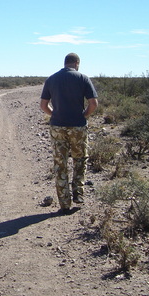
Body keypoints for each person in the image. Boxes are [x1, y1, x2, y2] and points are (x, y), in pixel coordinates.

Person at [40, 53, 98, 215]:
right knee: (80, 159)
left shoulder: (51, 79)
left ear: (65, 63)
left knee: (60, 163)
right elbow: (93, 103)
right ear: (77, 63)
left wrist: (55, 114)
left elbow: (43, 105)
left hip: (58, 126)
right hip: (78, 126)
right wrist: (84, 115)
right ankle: (78, 195)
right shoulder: (83, 78)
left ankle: (64, 203)